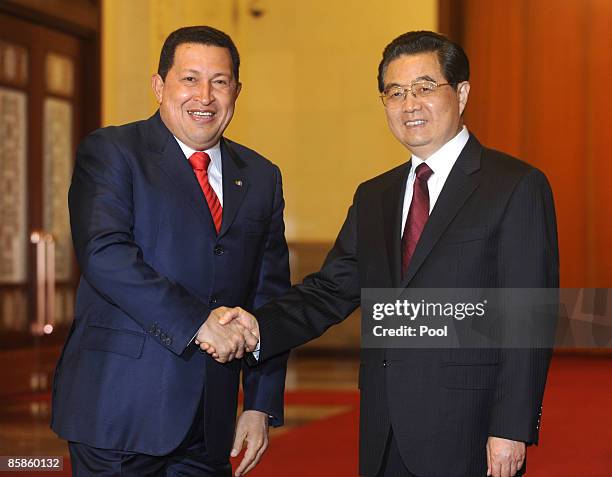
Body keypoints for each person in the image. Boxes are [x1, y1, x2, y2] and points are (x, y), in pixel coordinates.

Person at [202, 31, 559, 477]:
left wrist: (511, 427)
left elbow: (528, 320)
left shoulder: (515, 186)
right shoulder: (375, 196)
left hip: (470, 429)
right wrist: (257, 326)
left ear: (462, 93)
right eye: (396, 92)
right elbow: (329, 291)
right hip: (383, 426)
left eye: (426, 88)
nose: (410, 104)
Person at [51, 26, 290, 477]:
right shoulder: (114, 152)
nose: (205, 95)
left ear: (236, 90)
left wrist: (260, 403)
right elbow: (105, 254)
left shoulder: (260, 176)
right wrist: (197, 323)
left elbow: (269, 295)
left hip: (210, 424)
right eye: (189, 79)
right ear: (159, 86)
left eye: (220, 81)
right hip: (119, 413)